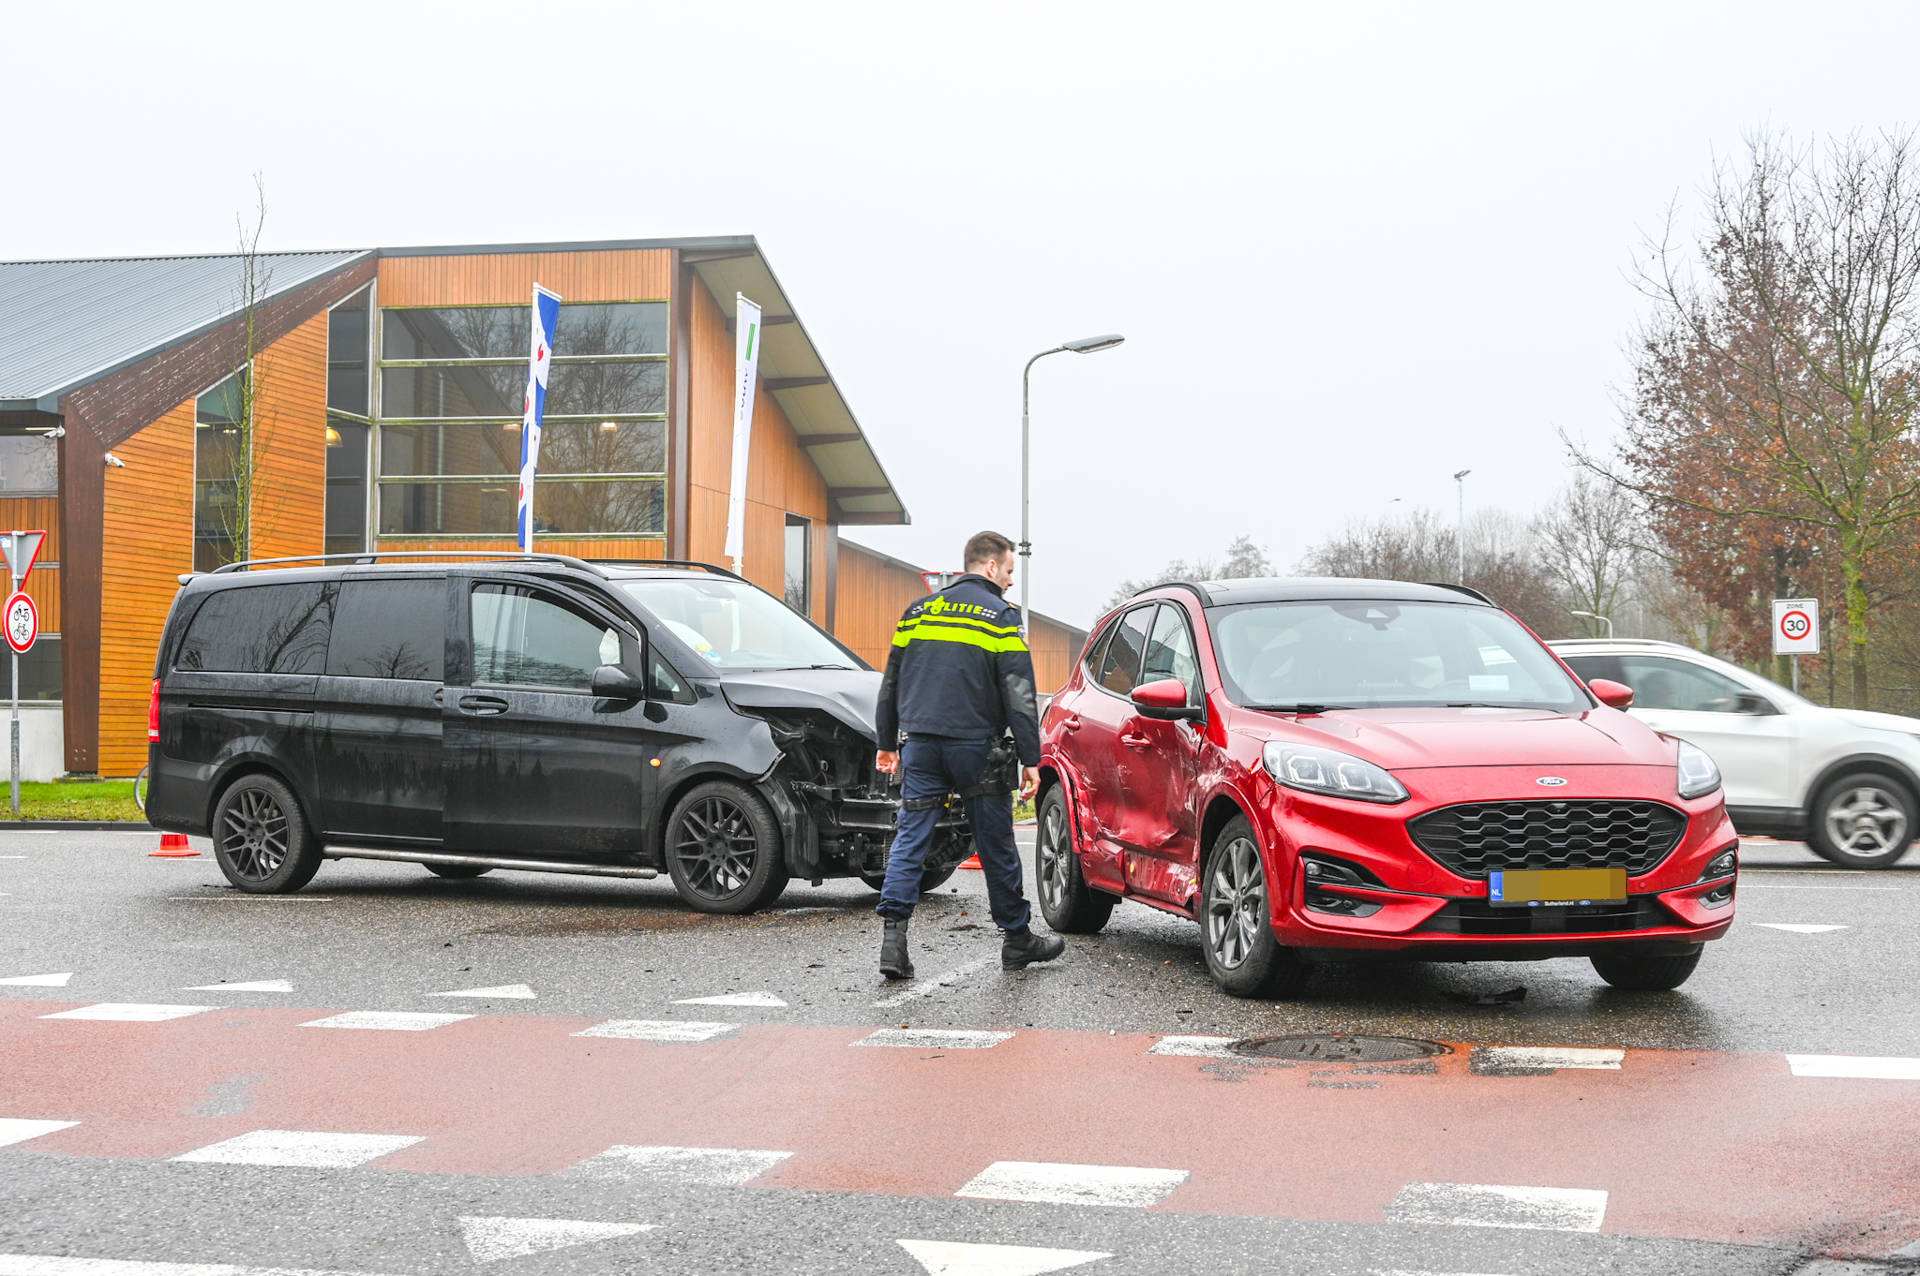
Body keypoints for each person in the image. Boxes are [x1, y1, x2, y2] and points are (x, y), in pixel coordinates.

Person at [873, 530, 1066, 980]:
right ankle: (1017, 940)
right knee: (996, 843)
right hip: (977, 749)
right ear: (991, 567)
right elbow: (1018, 692)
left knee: (910, 838)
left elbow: (891, 681)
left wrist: (886, 743)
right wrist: (1030, 757)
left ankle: (893, 941)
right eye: (1010, 570)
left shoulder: (918, 612)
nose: (1012, 581)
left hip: (919, 744)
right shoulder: (1000, 616)